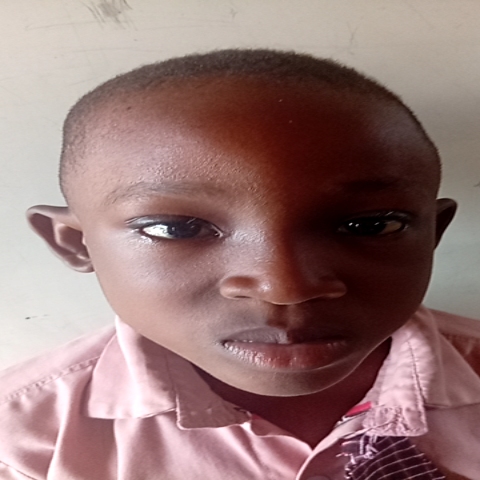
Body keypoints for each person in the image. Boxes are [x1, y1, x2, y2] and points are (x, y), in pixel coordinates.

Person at [1, 49, 479, 480]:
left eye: (370, 225)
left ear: (433, 234)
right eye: (176, 229)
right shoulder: (21, 445)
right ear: (76, 244)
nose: (285, 287)